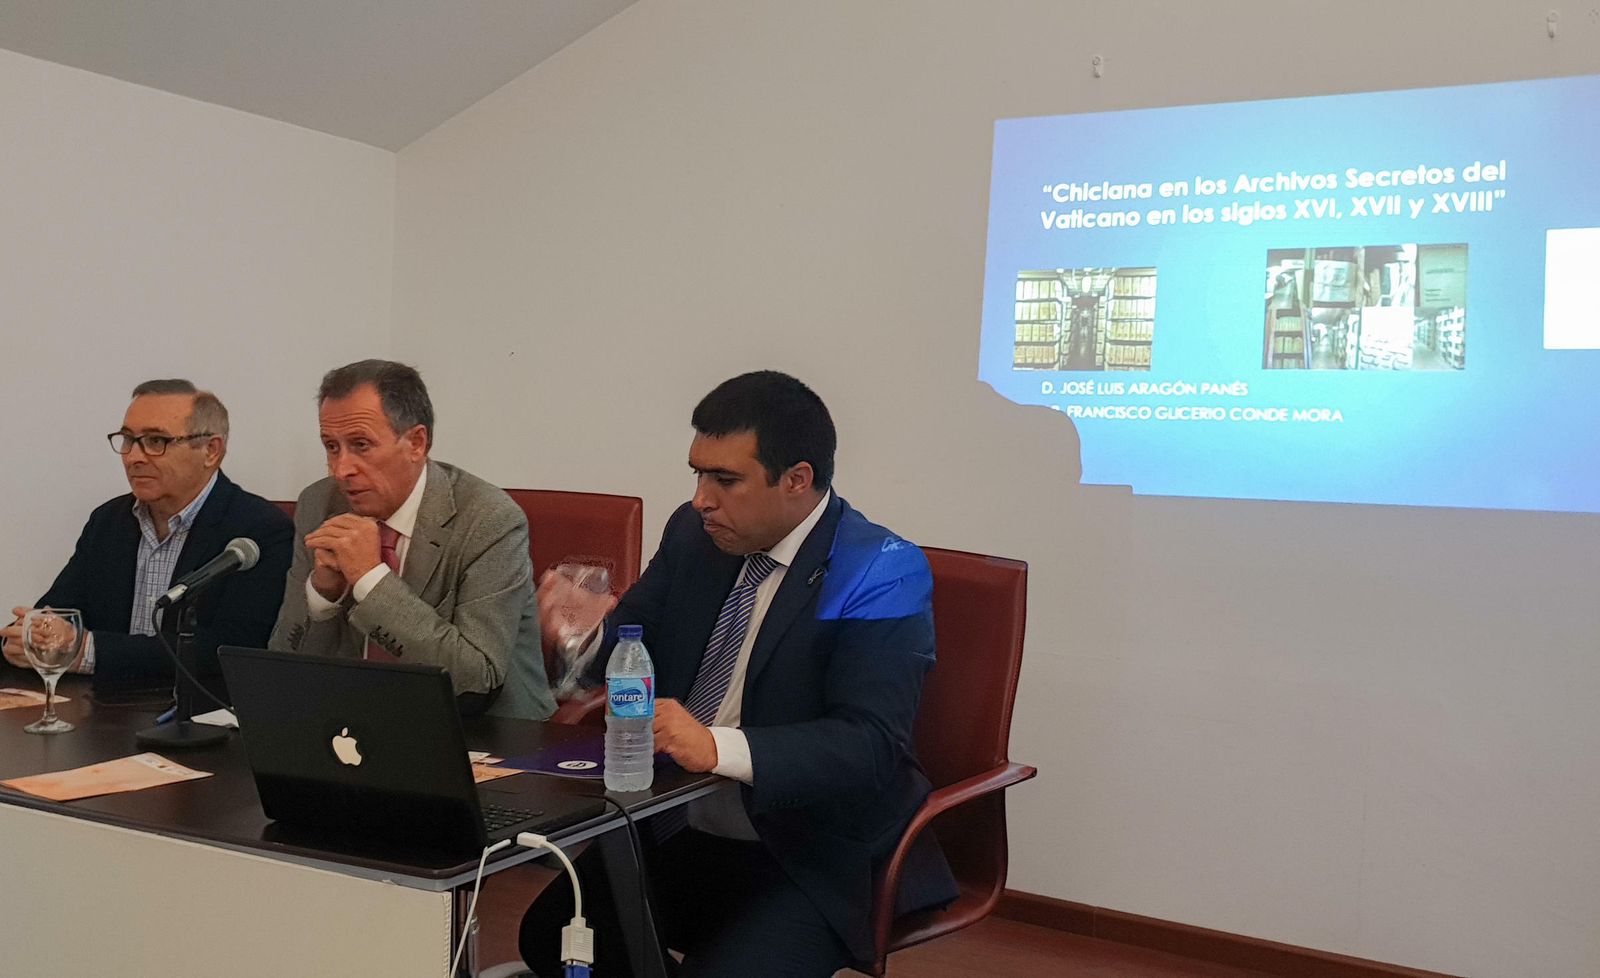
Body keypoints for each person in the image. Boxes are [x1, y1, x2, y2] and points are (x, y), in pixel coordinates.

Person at [518, 370, 956, 978]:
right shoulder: (695, 536)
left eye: (725, 479)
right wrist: (576, 631)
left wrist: (716, 745)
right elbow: (625, 649)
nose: (702, 497)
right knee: (551, 939)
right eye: (698, 473)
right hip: (680, 822)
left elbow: (870, 745)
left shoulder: (879, 571)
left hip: (805, 850)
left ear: (797, 480)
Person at [268, 359, 551, 718]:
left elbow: (475, 676)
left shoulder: (489, 519)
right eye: (331, 446)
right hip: (360, 728)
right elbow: (282, 667)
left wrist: (370, 580)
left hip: (487, 735)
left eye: (360, 444)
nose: (341, 470)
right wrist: (322, 595)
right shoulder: (319, 504)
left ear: (416, 442)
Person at [1, 380, 292, 697]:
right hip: (100, 713)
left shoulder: (258, 530)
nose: (133, 457)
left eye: (156, 441)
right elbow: (59, 611)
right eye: (127, 440)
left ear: (211, 450)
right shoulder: (109, 521)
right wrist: (29, 638)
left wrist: (87, 649)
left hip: (199, 718)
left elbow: (232, 647)